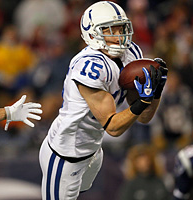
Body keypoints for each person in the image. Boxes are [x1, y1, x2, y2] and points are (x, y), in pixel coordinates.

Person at [39, 1, 168, 199]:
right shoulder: (90, 67)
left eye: (122, 28)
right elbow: (113, 127)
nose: (119, 36)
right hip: (66, 154)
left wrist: (155, 92)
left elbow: (143, 118)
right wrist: (142, 101)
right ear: (92, 34)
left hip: (93, 149)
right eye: (111, 30)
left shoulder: (131, 53)